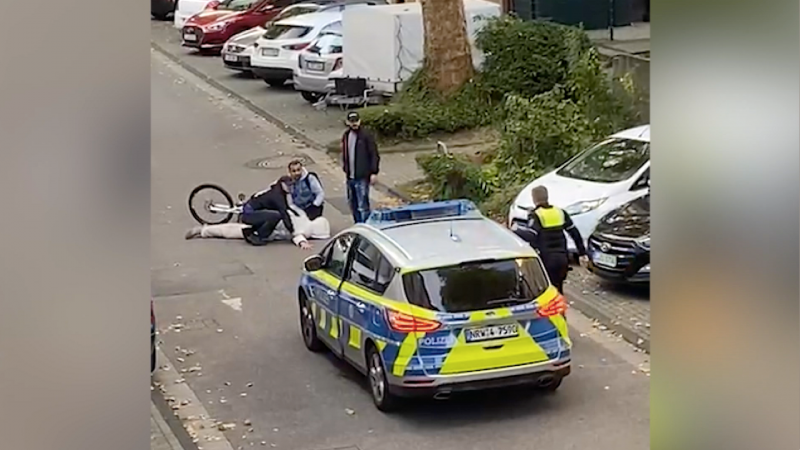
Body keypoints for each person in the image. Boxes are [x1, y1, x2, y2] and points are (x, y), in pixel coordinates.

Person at [511, 186, 588, 293]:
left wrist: (516, 230)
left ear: (534, 199)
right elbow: (574, 233)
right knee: (559, 289)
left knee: (547, 292)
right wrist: (582, 252)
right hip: (562, 259)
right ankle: (560, 308)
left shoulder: (536, 215)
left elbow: (531, 236)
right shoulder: (560, 212)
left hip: (546, 260)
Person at [184, 201, 330, 249]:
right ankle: (203, 231)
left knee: (232, 229)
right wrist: (303, 243)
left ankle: (203, 231)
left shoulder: (302, 218)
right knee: (231, 231)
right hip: (264, 228)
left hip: (264, 221)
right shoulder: (303, 229)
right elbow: (297, 236)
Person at [239, 175, 309, 248]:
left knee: (273, 216)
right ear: (282, 184)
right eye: (288, 185)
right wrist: (292, 231)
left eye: (291, 185)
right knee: (276, 216)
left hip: (254, 211)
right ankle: (257, 236)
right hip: (249, 214)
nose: (290, 188)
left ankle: (251, 231)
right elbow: (284, 213)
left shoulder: (279, 190)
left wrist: (295, 213)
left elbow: (286, 206)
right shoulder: (277, 195)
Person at [341, 111, 379, 223]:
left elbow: (374, 154)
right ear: (348, 122)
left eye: (356, 121)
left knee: (363, 205)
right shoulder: (346, 136)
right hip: (350, 176)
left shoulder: (366, 135)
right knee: (353, 204)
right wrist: (346, 168)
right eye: (352, 121)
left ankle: (366, 226)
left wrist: (374, 172)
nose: (354, 124)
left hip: (362, 176)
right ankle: (357, 224)